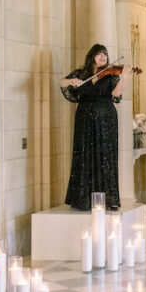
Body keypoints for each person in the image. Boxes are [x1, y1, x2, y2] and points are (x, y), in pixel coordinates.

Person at [60, 43, 127, 211]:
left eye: (104, 54)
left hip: (106, 118)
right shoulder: (81, 74)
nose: (103, 56)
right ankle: (83, 199)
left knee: (105, 156)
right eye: (99, 54)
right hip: (85, 118)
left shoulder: (111, 75)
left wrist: (124, 78)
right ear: (92, 56)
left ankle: (108, 199)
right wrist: (72, 80)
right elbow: (62, 83)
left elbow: (116, 95)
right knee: (85, 154)